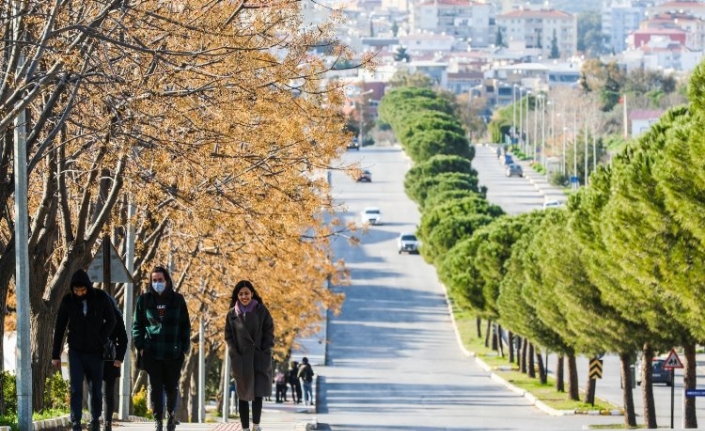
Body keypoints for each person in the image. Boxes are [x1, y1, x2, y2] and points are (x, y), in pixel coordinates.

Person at [52, 269, 117, 431]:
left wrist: (101, 338)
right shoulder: (68, 301)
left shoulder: (100, 297)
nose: (79, 293)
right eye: (76, 290)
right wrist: (55, 355)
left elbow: (112, 320)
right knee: (76, 387)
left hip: (96, 352)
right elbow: (60, 328)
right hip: (76, 351)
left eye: (82, 290)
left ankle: (95, 419)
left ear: (88, 287)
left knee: (95, 388)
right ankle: (76, 421)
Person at [133, 266, 191, 431]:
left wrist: (184, 348)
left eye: (160, 280)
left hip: (173, 353)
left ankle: (171, 416)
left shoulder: (178, 300)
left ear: (167, 281)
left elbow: (185, 326)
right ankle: (158, 420)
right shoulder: (144, 300)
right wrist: (141, 346)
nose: (157, 283)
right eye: (154, 280)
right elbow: (137, 326)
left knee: (171, 387)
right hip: (151, 352)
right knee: (155, 388)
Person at [224, 280, 274, 431]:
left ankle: (256, 425)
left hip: (259, 356)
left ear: (252, 293)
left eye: (246, 293)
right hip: (241, 358)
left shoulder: (261, 310)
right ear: (237, 296)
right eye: (241, 294)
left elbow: (269, 331)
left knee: (258, 392)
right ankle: (245, 427)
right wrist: (234, 354)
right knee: (243, 394)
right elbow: (228, 336)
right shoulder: (232, 314)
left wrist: (266, 350)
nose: (244, 296)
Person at [102, 295, 128, 431]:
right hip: (94, 358)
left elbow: (123, 339)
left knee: (108, 392)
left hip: (111, 360)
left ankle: (107, 422)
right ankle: (95, 419)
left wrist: (119, 358)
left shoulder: (116, 317)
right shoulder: (94, 315)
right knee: (93, 391)